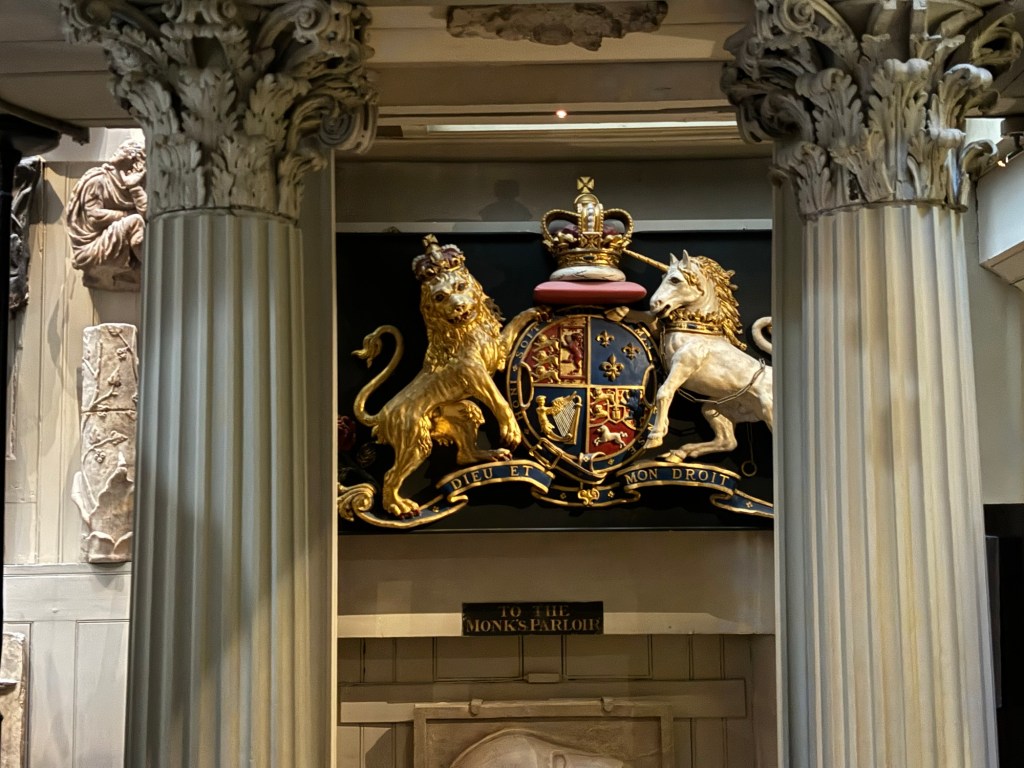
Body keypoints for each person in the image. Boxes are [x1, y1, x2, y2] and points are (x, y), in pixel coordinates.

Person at [66, 139, 147, 291]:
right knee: (135, 221)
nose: (119, 148)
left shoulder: (138, 184)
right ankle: (152, 270)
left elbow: (150, 216)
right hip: (90, 247)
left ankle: (150, 271)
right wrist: (127, 214)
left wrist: (135, 187)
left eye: (125, 149)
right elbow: (94, 216)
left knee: (139, 224)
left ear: (133, 159)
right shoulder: (98, 179)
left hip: (109, 241)